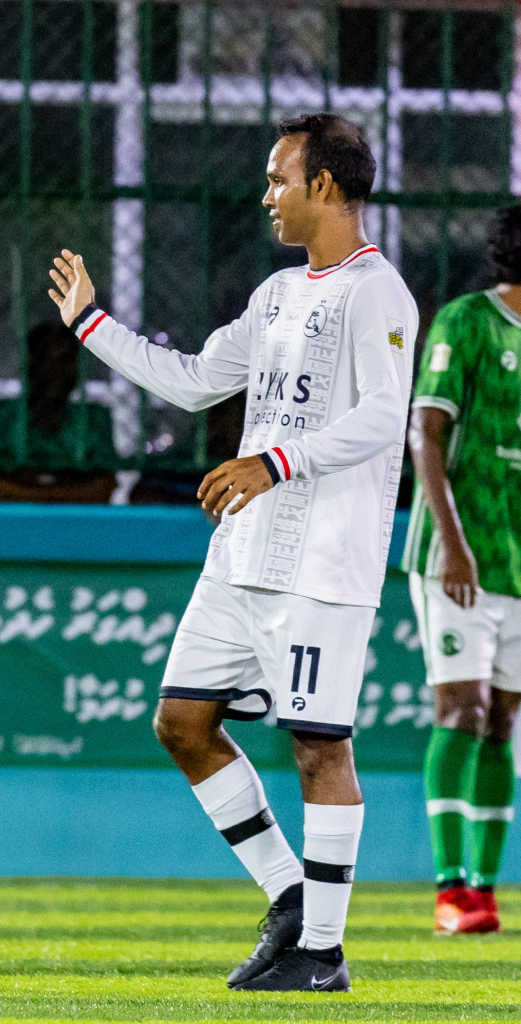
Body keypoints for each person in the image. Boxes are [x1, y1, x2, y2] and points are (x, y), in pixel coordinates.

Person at [47, 113, 417, 991]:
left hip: (324, 564)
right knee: (181, 723)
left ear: (324, 185)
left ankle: (323, 956)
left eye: (278, 178)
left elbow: (381, 416)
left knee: (320, 748)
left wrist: (274, 459)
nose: (267, 197)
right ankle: (290, 895)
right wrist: (91, 324)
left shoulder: (379, 293)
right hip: (241, 557)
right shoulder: (279, 295)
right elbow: (191, 380)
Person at [404, 205, 521, 935]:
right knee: (463, 709)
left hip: (517, 559)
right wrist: (452, 543)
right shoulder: (465, 322)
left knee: (503, 722)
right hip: (459, 560)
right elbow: (425, 430)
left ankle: (484, 888)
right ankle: (449, 887)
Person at [0, 317, 119, 502]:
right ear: (29, 362)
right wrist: (63, 496)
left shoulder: (94, 419)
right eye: (44, 358)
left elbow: (103, 488)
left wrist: (26, 494)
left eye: (65, 360)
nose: (55, 370)